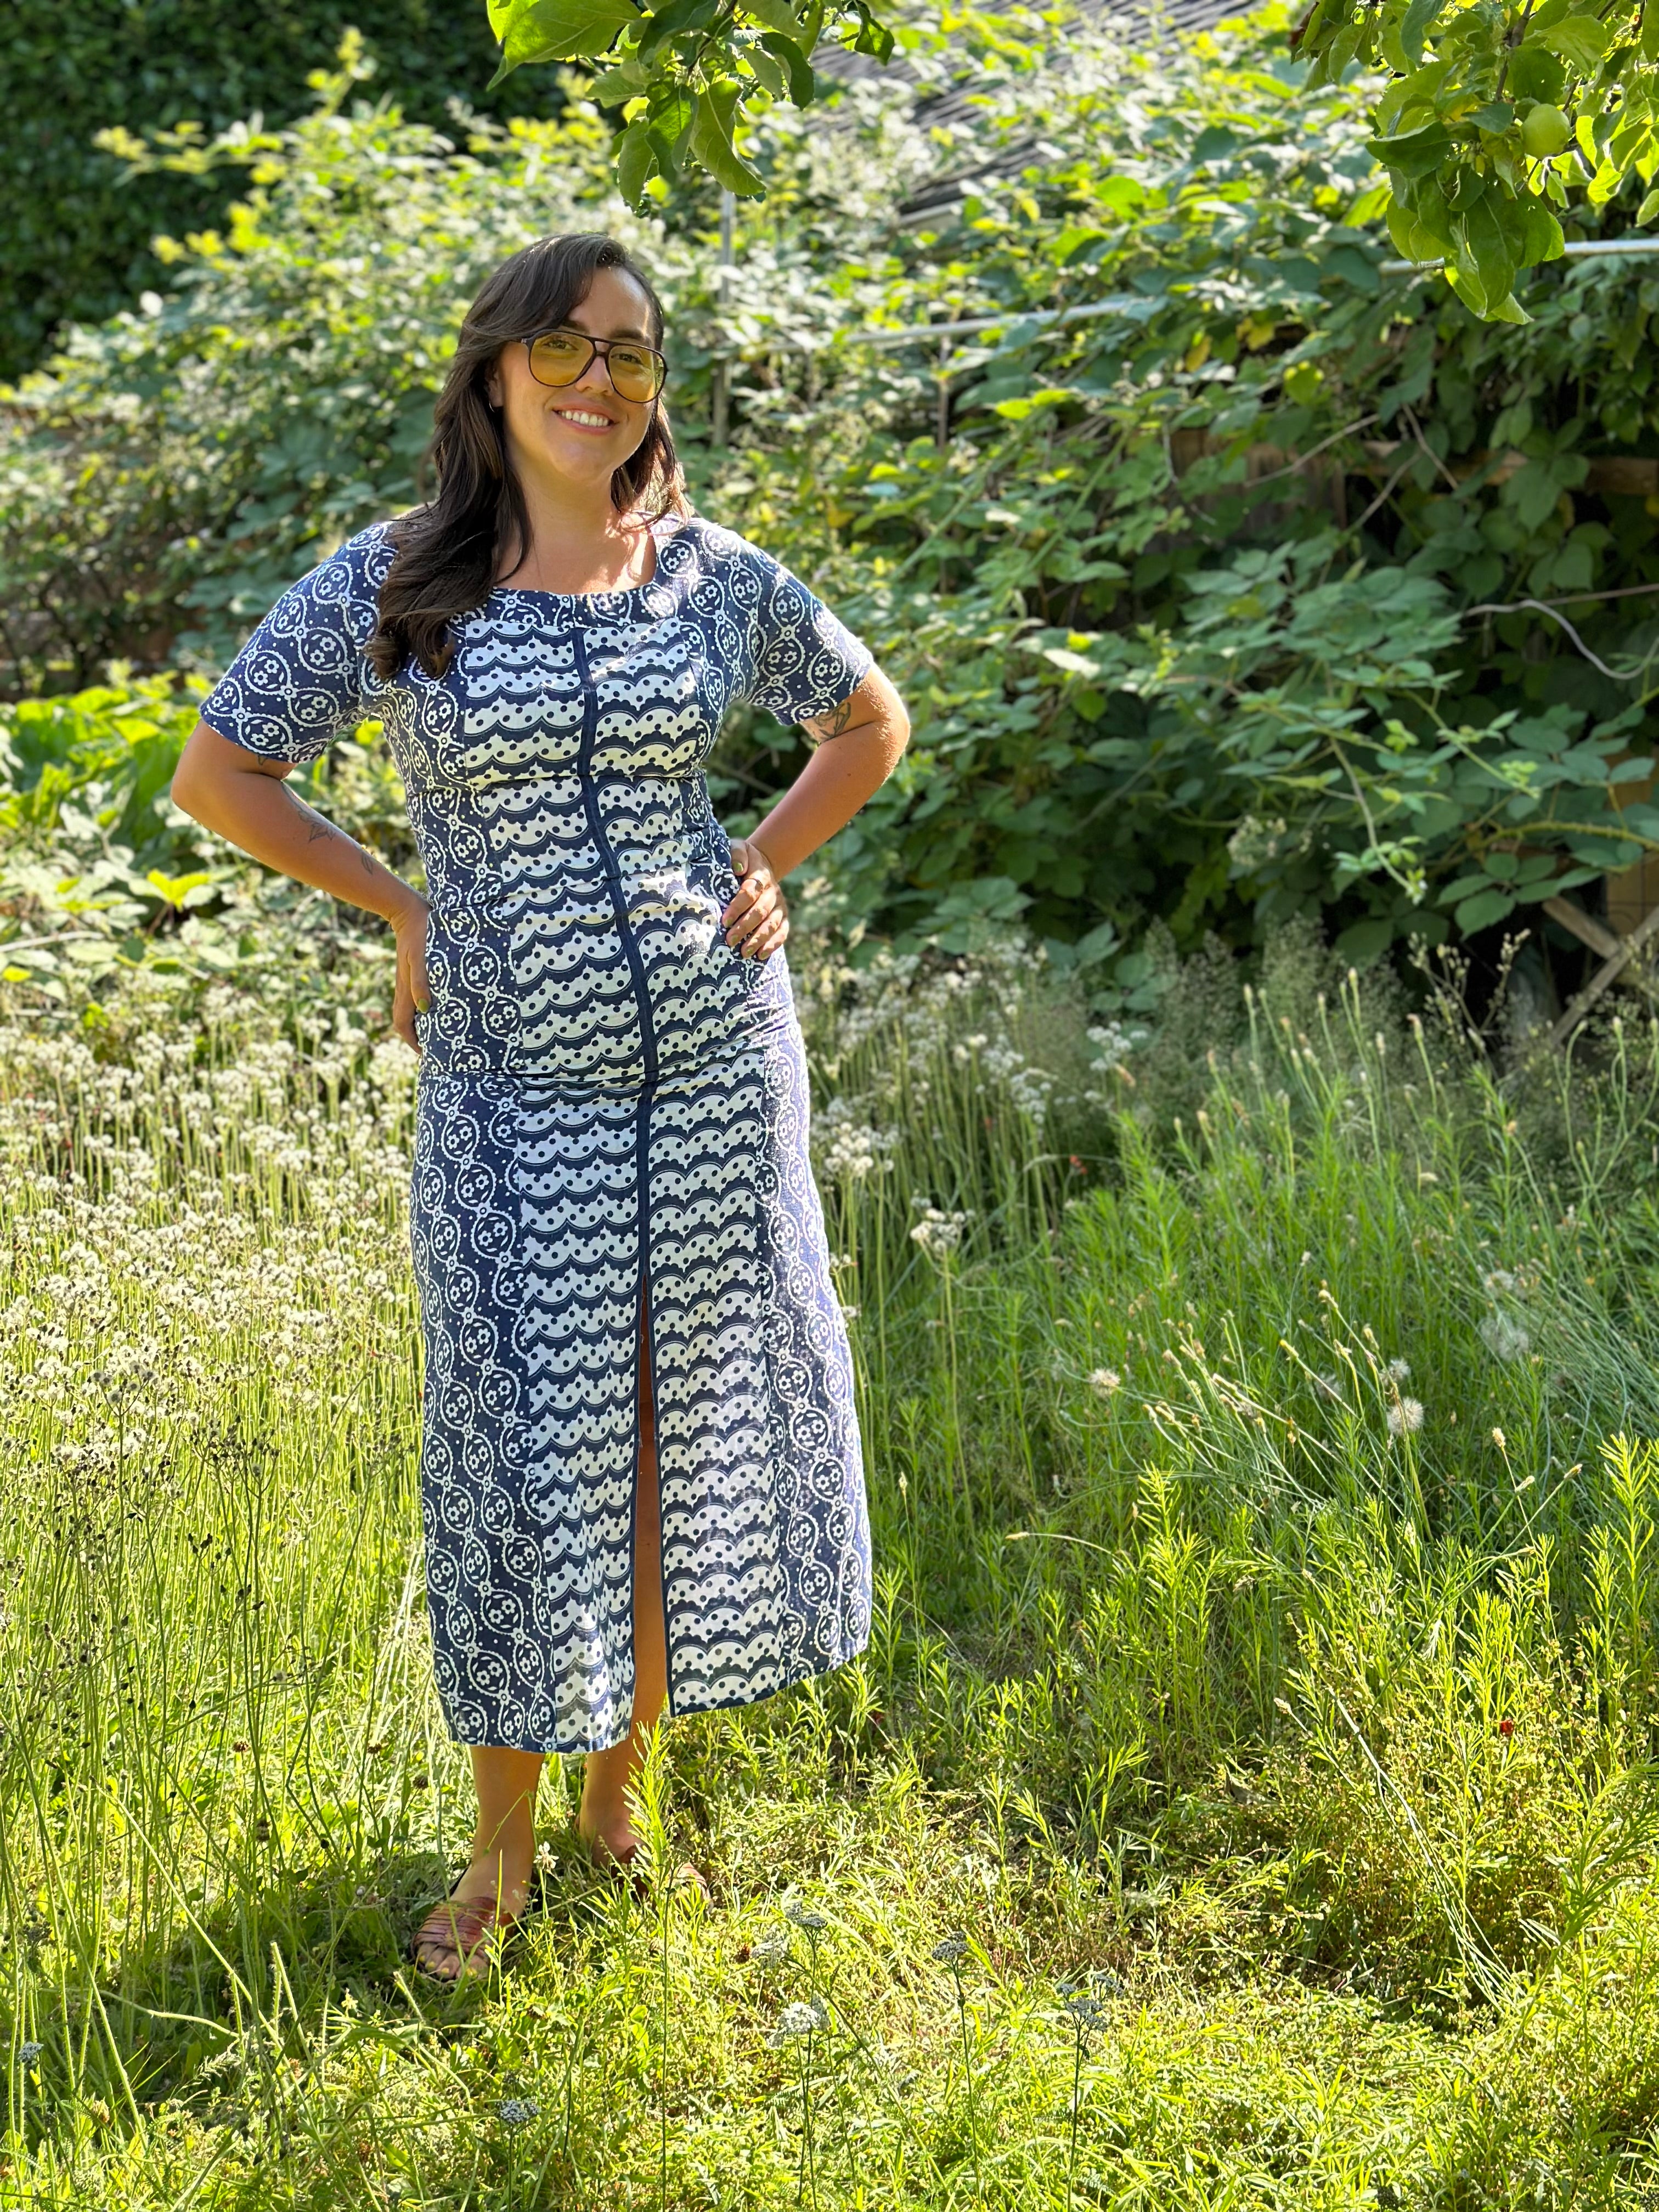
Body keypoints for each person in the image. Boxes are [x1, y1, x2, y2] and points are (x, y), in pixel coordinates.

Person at [171, 230, 910, 1982]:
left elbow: (867, 721)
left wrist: (766, 862)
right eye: (569, 348)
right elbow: (222, 773)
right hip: (516, 1095)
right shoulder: (401, 579)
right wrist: (406, 906)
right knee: (526, 1457)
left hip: (720, 1077)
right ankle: (495, 1857)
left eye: (634, 355)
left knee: (667, 1434)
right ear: (497, 368)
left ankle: (618, 1807)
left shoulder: (709, 576)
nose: (602, 380)